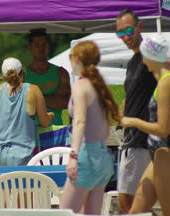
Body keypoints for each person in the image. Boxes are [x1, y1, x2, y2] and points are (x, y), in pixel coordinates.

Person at [115, 9, 170, 213]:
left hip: (142, 140)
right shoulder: (134, 61)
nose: (125, 37)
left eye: (128, 30)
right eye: (120, 33)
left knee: (130, 204)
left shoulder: (148, 57)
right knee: (134, 204)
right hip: (132, 140)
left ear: (140, 27)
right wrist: (120, 111)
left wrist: (168, 71)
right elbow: (135, 93)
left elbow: (166, 81)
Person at [60, 41, 120, 215]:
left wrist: (73, 156)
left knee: (65, 213)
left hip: (87, 156)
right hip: (103, 157)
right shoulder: (99, 86)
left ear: (77, 58)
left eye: (71, 57)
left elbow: (79, 121)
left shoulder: (80, 85)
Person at [0, 57, 54, 166]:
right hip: (22, 156)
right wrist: (50, 115)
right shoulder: (33, 90)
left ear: (4, 76)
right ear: (22, 72)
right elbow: (45, 122)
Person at [26, 28, 70, 126]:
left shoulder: (61, 73)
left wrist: (34, 99)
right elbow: (19, 104)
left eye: (44, 44)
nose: (41, 48)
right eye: (37, 45)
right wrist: (54, 97)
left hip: (55, 133)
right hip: (30, 133)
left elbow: (67, 103)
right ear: (30, 48)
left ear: (48, 46)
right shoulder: (23, 75)